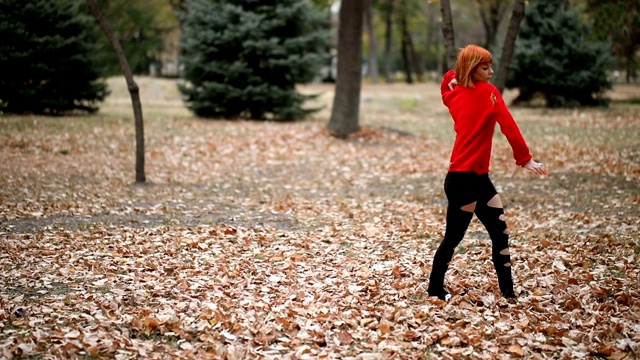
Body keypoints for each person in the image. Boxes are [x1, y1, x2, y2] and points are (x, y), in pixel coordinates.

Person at [427, 44, 548, 301]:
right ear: (472, 68)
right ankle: (435, 289)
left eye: (491, 66)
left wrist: (452, 78)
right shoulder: (490, 94)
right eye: (485, 67)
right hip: (464, 180)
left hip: (477, 178)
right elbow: (508, 125)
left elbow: (445, 85)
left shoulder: (454, 94)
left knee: (500, 233)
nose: (491, 71)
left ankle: (509, 294)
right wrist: (524, 159)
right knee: (453, 237)